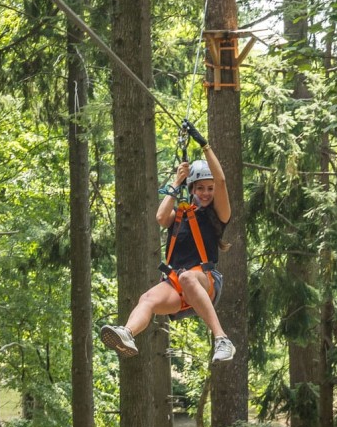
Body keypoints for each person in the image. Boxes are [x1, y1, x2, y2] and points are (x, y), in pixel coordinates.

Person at [100, 126, 236, 363]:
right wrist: (177, 181)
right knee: (148, 299)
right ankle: (128, 333)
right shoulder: (181, 214)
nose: (205, 193)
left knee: (187, 278)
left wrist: (205, 145)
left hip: (206, 280)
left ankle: (222, 339)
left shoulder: (217, 215)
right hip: (178, 283)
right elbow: (161, 218)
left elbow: (222, 181)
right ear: (192, 189)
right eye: (200, 188)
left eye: (209, 189)